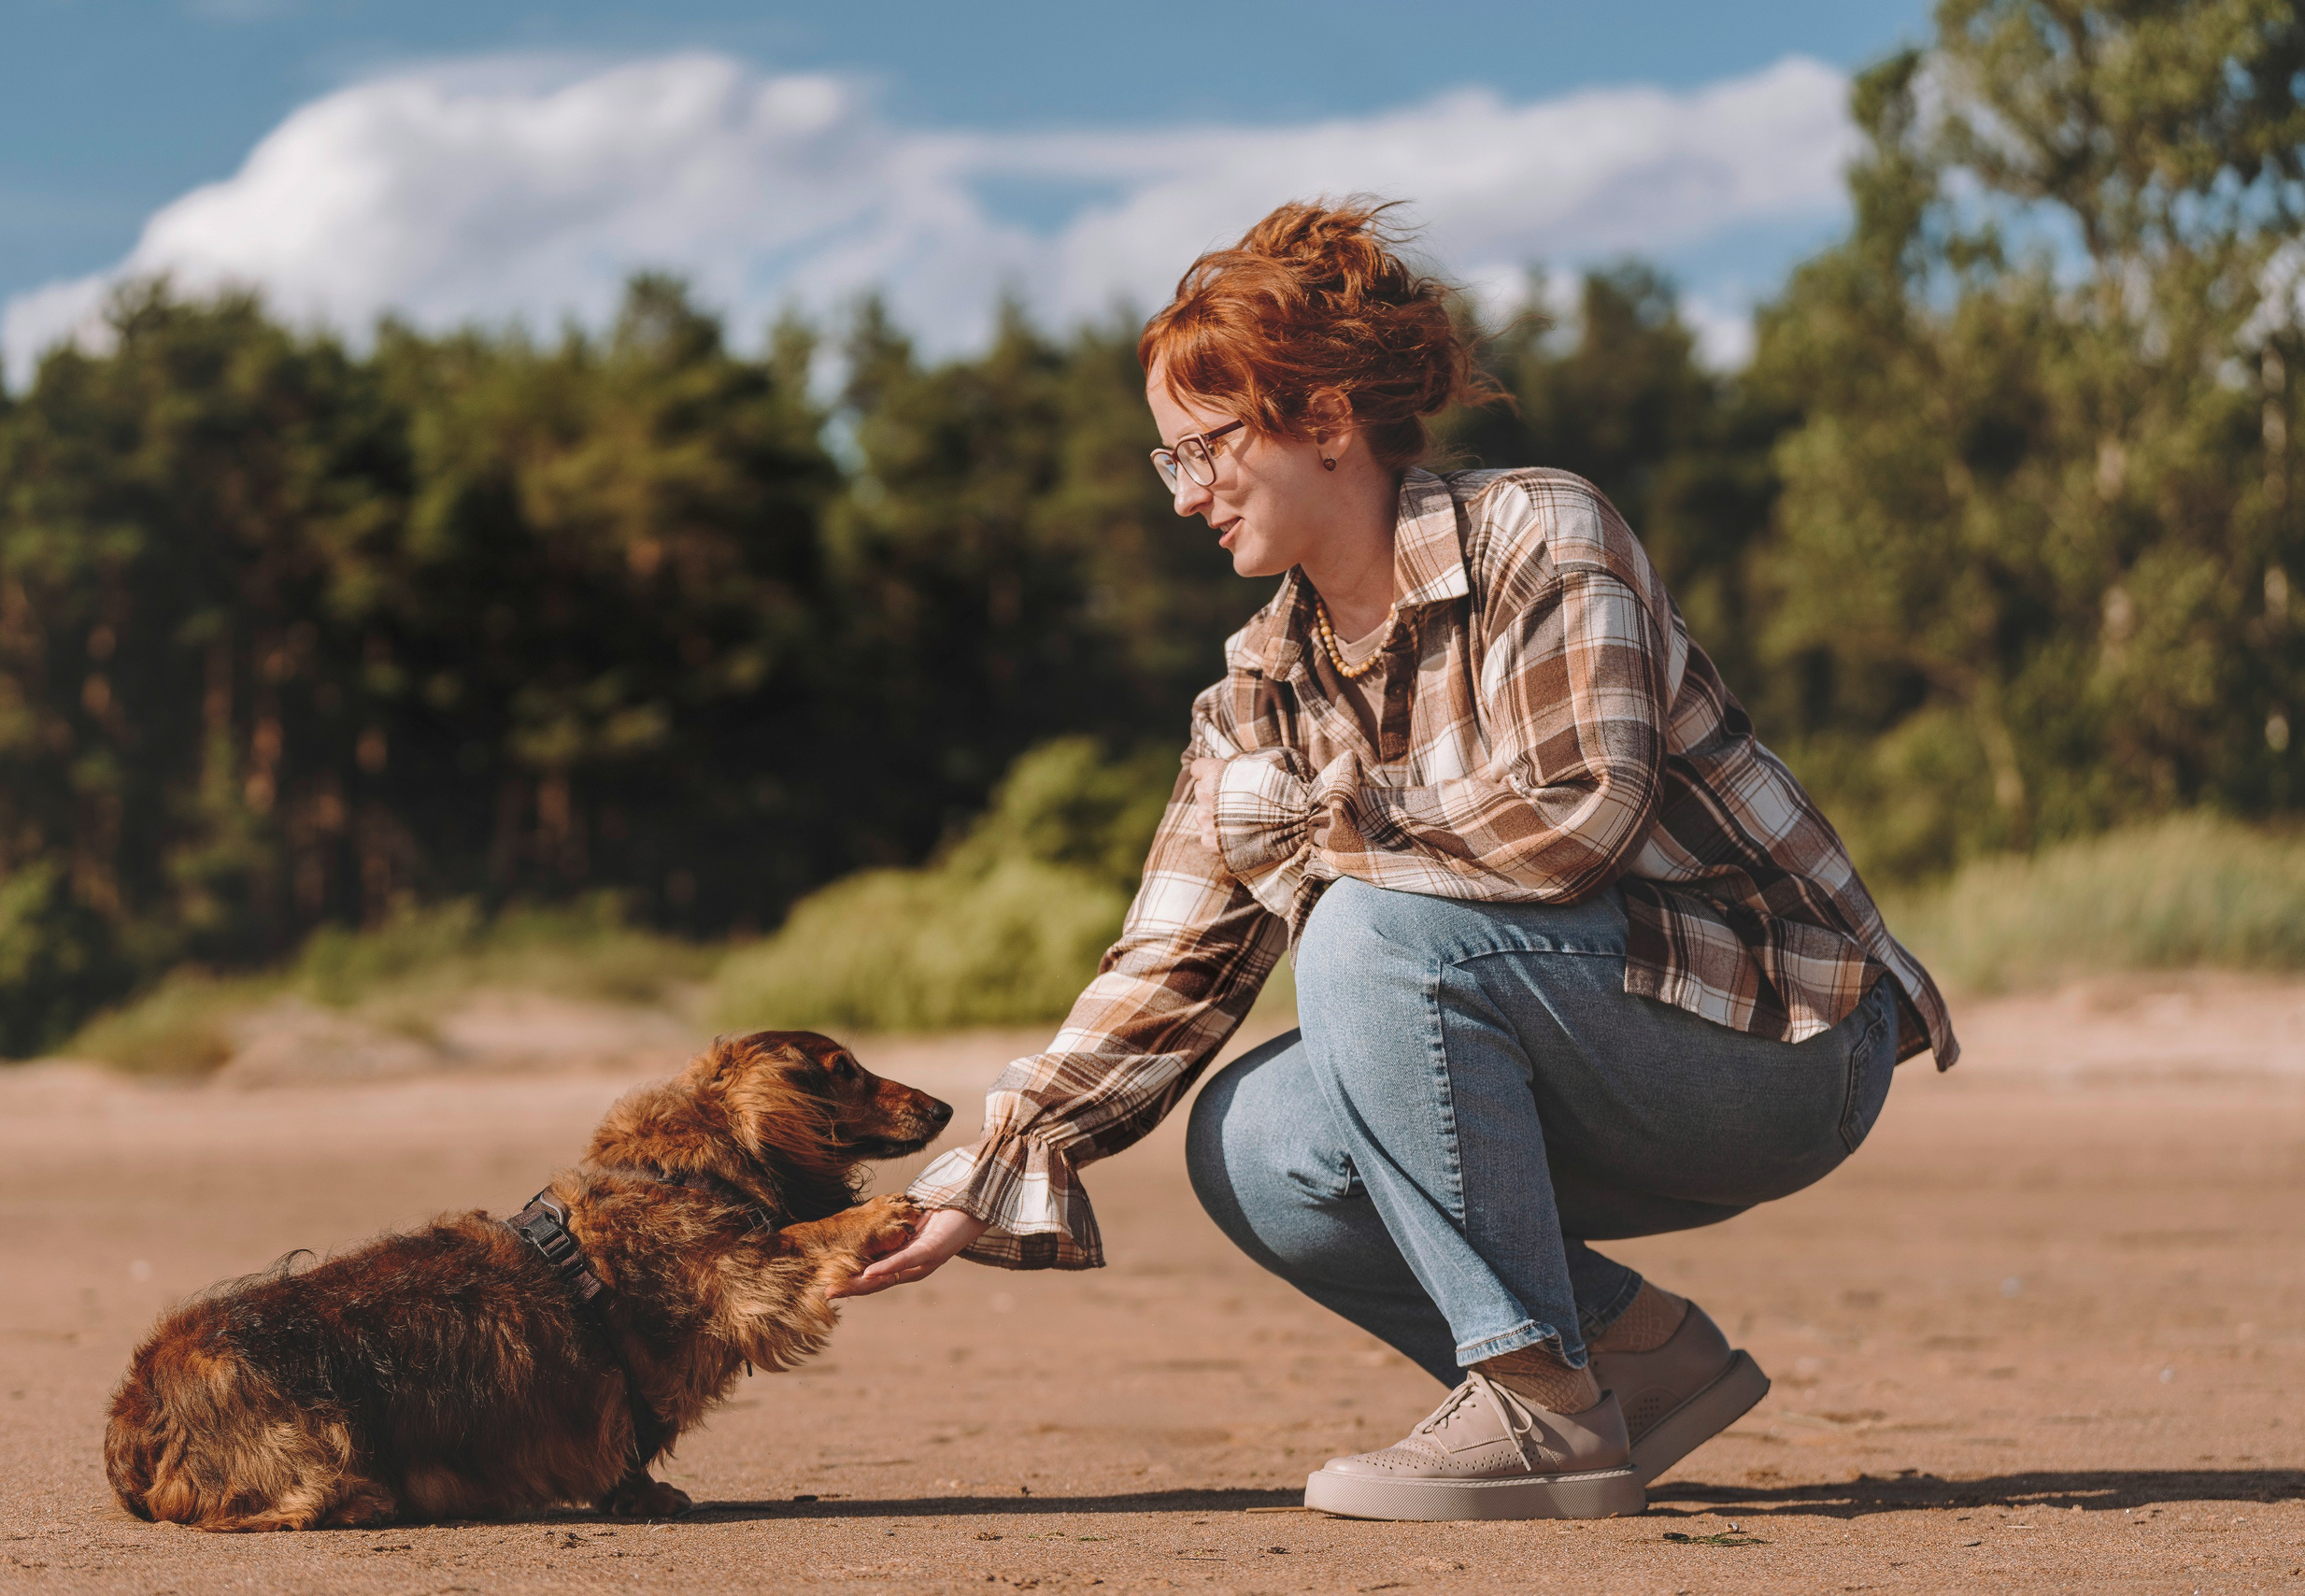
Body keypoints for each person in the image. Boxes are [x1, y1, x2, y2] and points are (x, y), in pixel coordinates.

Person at [833, 198, 1956, 1521]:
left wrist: (1324, 836)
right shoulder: (1253, 694)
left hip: (1782, 1045)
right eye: (1166, 460)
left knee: (1366, 931)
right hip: (1585, 1071)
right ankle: (1634, 1363)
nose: (1185, 495)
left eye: (1206, 447)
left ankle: (1536, 1403)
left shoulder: (1541, 532)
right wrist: (990, 1168)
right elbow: (1166, 966)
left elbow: (1580, 818)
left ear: (1325, 420)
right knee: (1256, 1145)